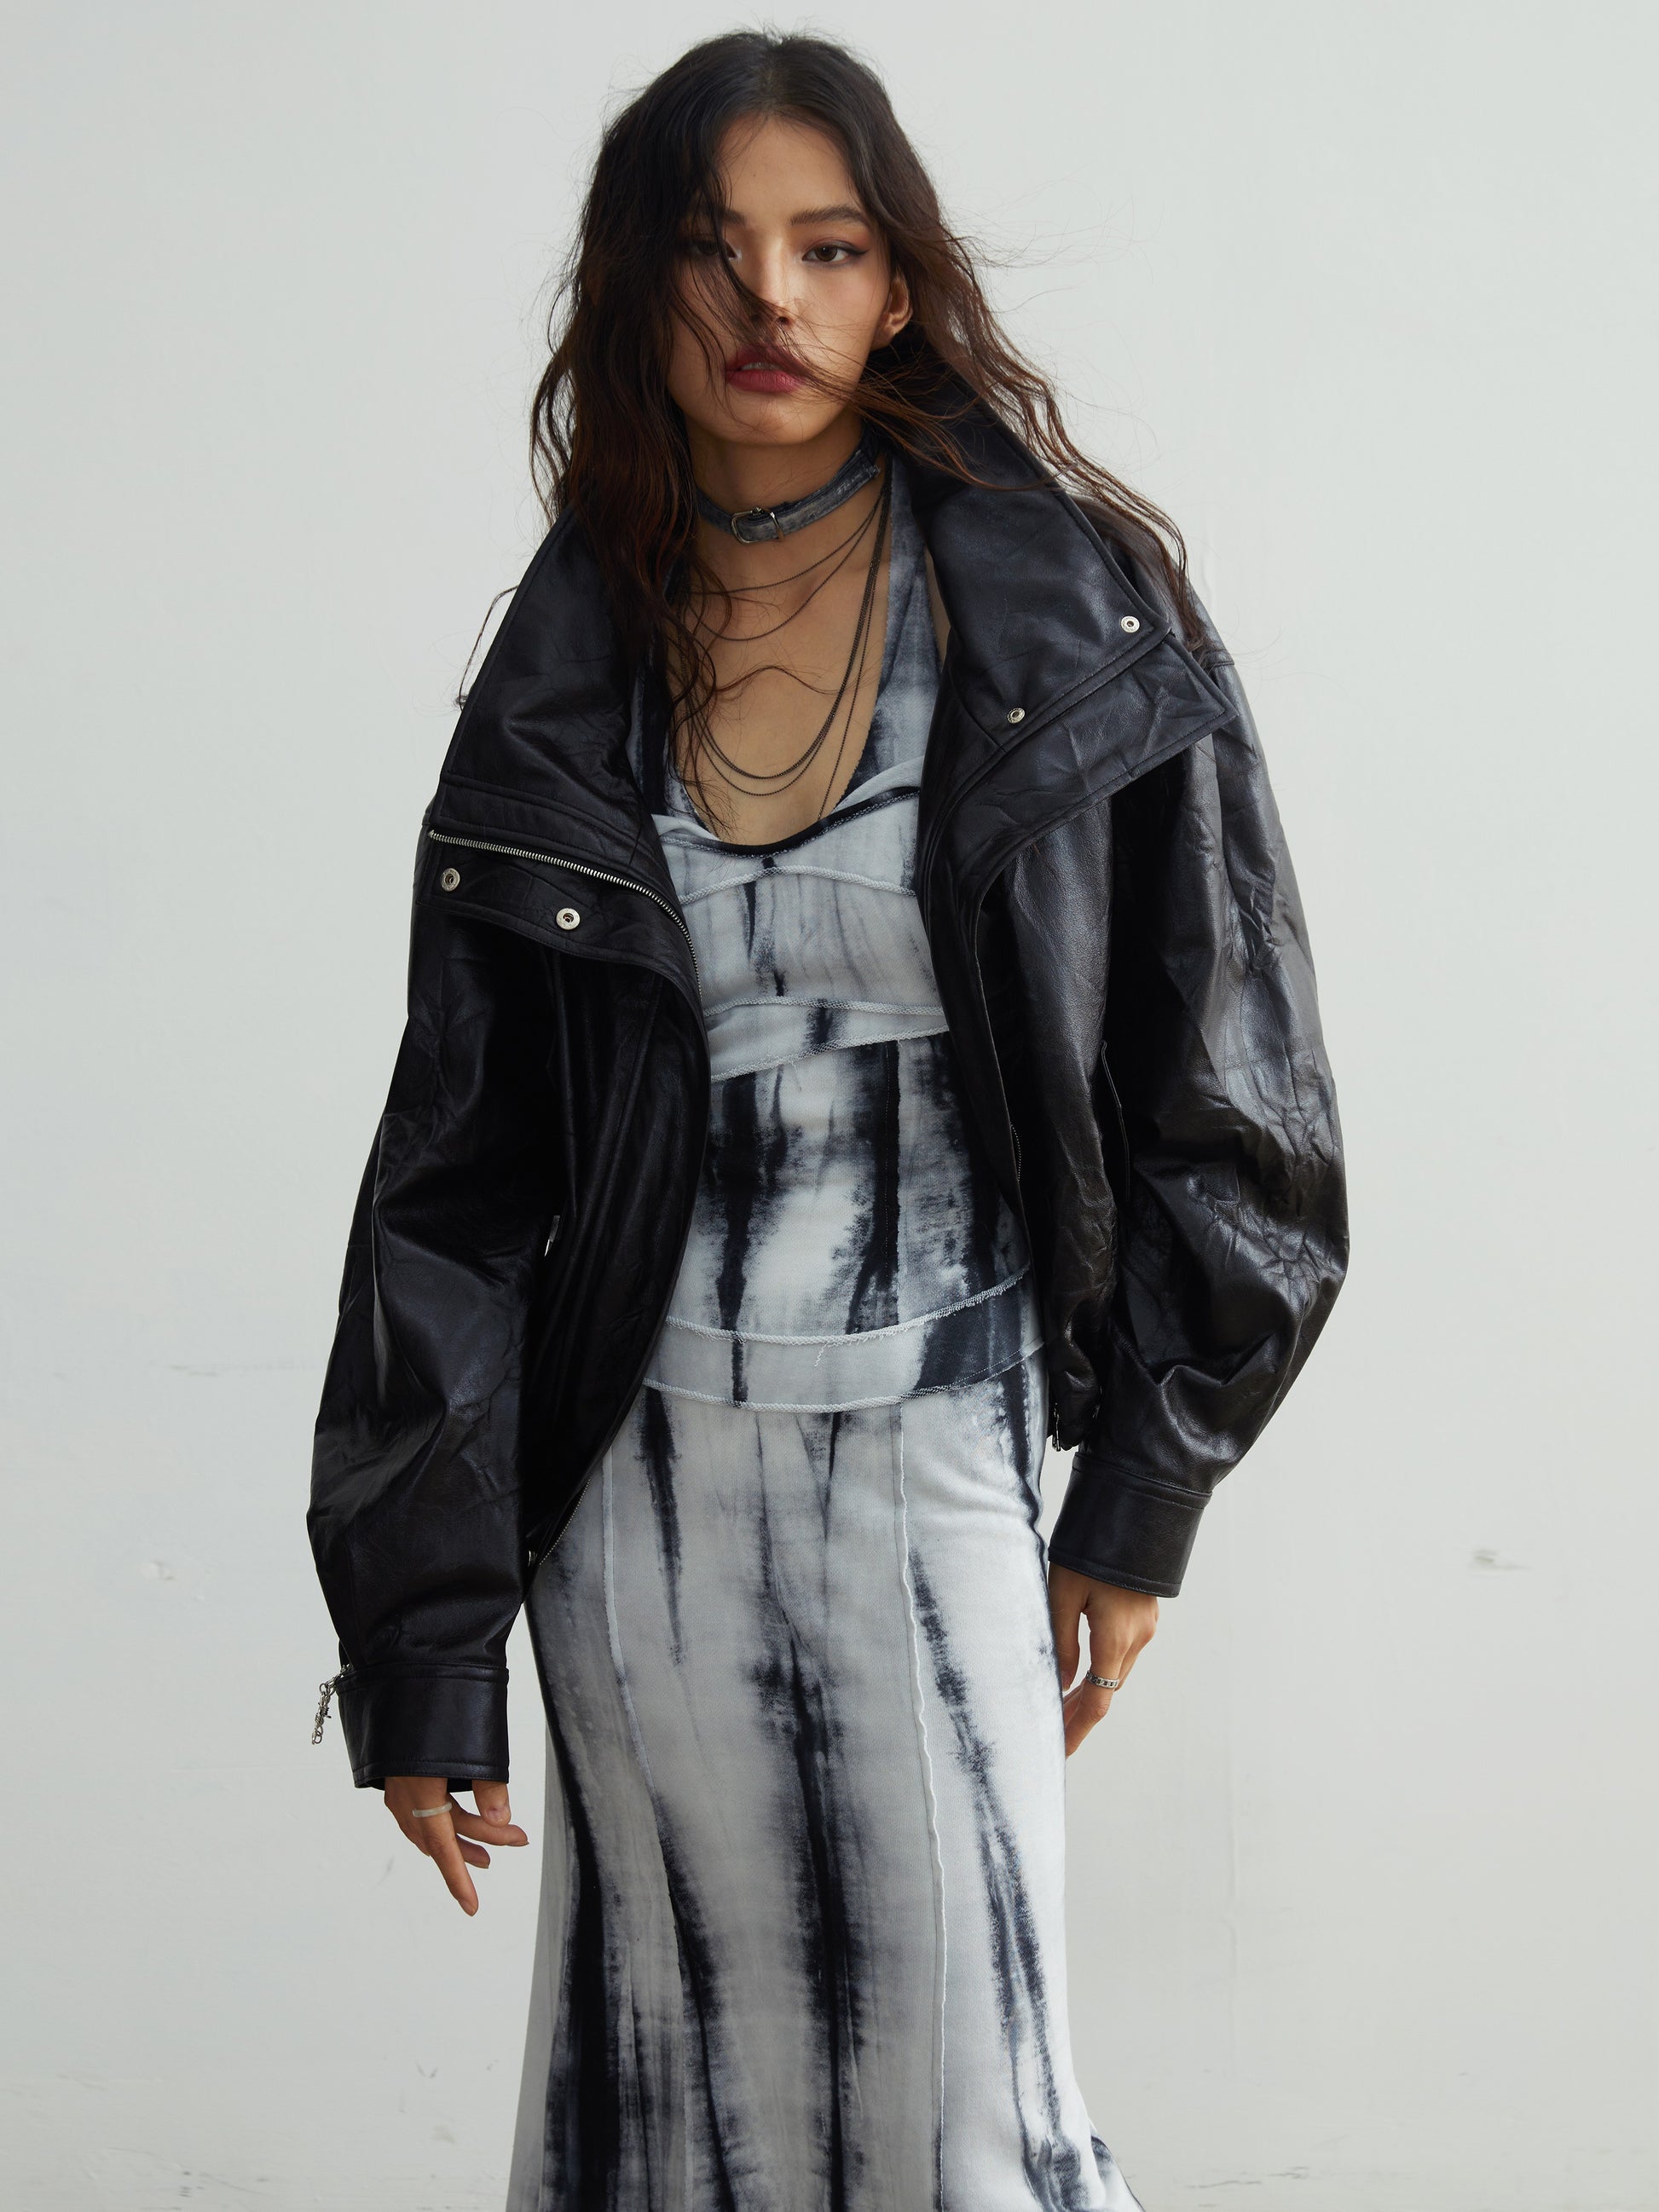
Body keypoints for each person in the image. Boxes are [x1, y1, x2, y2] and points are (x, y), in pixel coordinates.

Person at [306, 29, 1347, 2209]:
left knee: (976, 2124)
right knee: (661, 2118)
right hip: (633, 1504)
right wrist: (424, 1638)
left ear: (899, 284)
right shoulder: (568, 659)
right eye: (714, 249)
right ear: (633, 288)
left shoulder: (1061, 612)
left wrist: (1144, 1487)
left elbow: (1229, 1075)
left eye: (830, 246)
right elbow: (456, 1183)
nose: (769, 299)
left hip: (936, 1449)